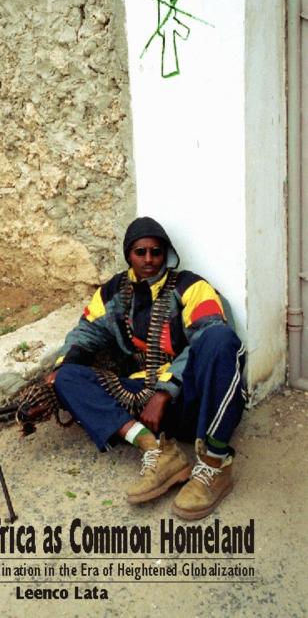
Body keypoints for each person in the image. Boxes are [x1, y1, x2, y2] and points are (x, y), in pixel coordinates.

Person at [50, 216, 247, 520]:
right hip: (141, 401)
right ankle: (153, 447)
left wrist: (164, 391)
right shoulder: (113, 292)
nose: (149, 260)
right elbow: (86, 330)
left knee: (220, 339)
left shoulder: (191, 287)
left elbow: (208, 333)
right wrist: (65, 363)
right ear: (129, 253)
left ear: (165, 254)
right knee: (68, 377)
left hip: (188, 400)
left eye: (156, 252)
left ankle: (215, 463)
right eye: (140, 252)